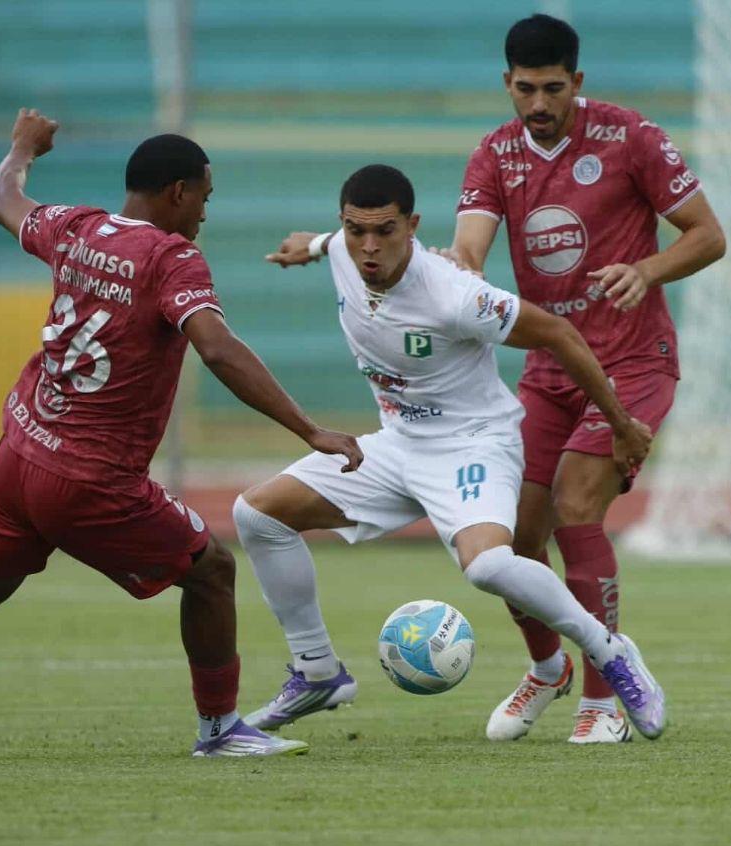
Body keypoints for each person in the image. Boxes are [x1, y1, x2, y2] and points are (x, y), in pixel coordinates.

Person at [0, 108, 364, 762]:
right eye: (205, 199)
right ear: (178, 193)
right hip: (90, 477)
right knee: (212, 571)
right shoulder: (171, 257)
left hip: (21, 449)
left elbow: (1, 198)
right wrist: (309, 428)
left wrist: (22, 146)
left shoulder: (74, 227)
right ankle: (219, 730)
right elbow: (217, 351)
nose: (205, 215)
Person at [238, 163, 666, 742]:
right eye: (354, 230)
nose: (368, 247)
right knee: (257, 515)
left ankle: (609, 652)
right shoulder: (345, 247)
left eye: (384, 231)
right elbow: (333, 242)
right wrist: (308, 246)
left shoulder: (456, 296)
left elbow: (561, 336)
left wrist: (619, 422)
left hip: (473, 443)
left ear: (412, 226)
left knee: (488, 565)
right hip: (398, 445)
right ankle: (317, 671)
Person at [448, 15, 725, 744]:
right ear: (506, 84)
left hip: (634, 361)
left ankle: (605, 699)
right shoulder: (495, 154)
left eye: (552, 89)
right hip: (551, 368)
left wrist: (648, 268)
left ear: (578, 82)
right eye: (525, 89)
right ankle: (548, 668)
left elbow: (708, 234)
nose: (538, 103)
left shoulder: (629, 137)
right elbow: (471, 241)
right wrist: (463, 269)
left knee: (576, 502)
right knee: (510, 538)